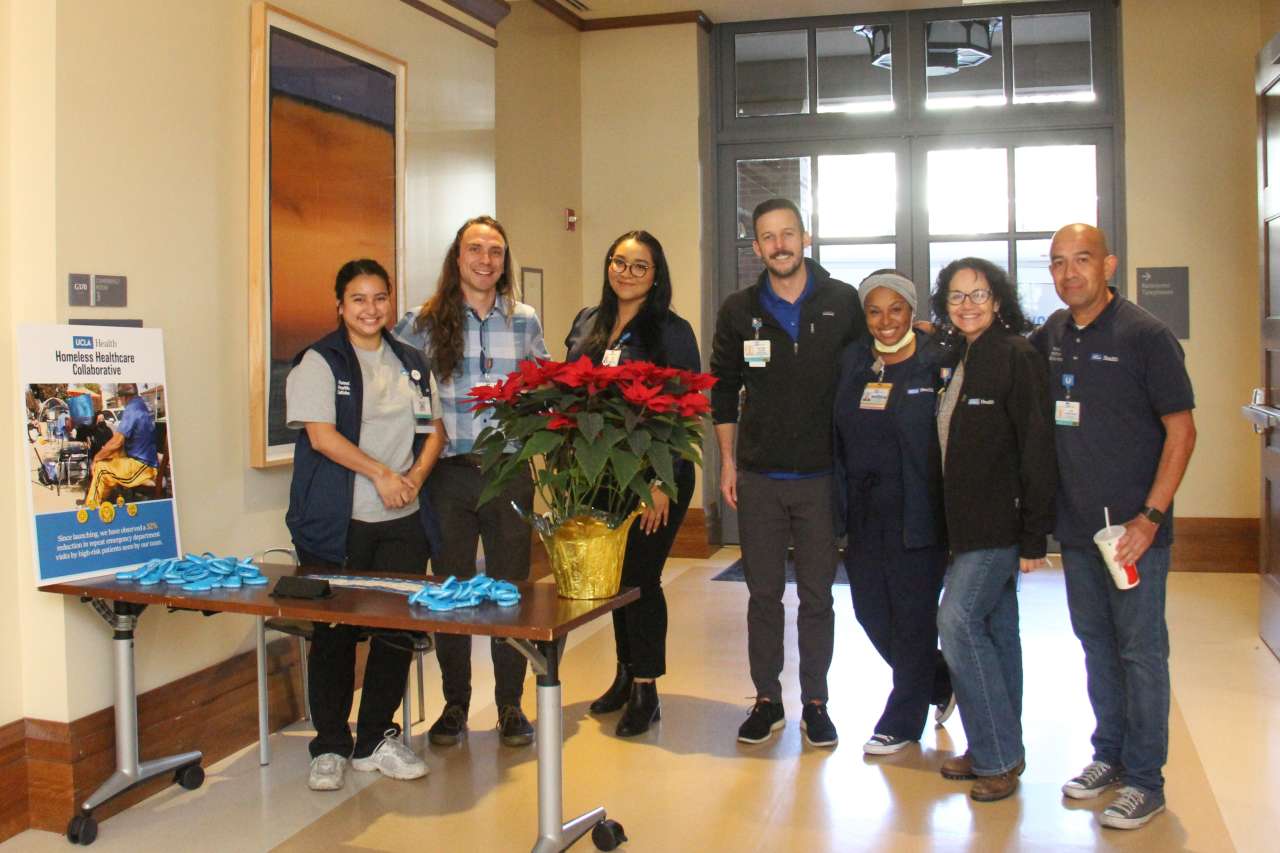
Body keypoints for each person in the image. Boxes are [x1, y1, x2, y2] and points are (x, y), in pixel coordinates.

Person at [1031, 224, 1196, 830]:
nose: (1069, 273)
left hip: (1133, 534)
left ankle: (1146, 780)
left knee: (1141, 652)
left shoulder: (1145, 336)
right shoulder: (1051, 335)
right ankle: (1110, 757)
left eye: (1082, 260)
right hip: (1078, 530)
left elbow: (1182, 431)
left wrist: (1150, 518)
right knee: (1097, 647)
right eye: (1057, 263)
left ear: (1109, 264)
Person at [710, 197, 866, 747]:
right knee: (763, 596)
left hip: (823, 477)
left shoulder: (843, 302)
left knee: (819, 595)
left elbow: (866, 377)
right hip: (759, 477)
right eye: (768, 237)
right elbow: (723, 390)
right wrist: (727, 463)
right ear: (757, 248)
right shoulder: (738, 310)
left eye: (788, 234)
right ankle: (767, 699)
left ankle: (817, 701)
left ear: (806, 238)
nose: (780, 244)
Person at [286, 258, 445, 792]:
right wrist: (381, 474)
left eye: (379, 298)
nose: (370, 309)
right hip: (338, 521)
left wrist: (414, 481)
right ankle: (329, 744)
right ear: (340, 305)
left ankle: (376, 737)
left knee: (394, 632)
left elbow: (433, 432)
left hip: (402, 519)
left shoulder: (412, 362)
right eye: (358, 298)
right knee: (333, 634)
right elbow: (322, 436)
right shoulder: (319, 360)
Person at [394, 215, 549, 749]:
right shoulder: (422, 320)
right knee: (451, 592)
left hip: (508, 474)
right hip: (447, 476)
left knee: (510, 593)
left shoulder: (523, 319)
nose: (486, 260)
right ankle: (455, 703)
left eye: (496, 252)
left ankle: (510, 703)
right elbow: (396, 392)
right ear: (456, 258)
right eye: (475, 250)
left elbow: (543, 387)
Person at [565, 230, 701, 737]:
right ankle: (623, 675)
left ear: (656, 274)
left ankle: (647, 690)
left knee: (641, 580)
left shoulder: (671, 330)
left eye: (639, 266)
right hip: (601, 474)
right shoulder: (589, 322)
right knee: (615, 583)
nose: (626, 272)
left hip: (653, 476)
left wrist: (660, 484)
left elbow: (685, 414)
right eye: (618, 262)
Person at [932, 257, 1055, 802]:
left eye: (978, 295)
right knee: (1000, 635)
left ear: (998, 300)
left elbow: (1036, 446)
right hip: (962, 524)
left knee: (956, 621)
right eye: (957, 296)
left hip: (998, 524)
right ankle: (997, 746)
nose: (967, 305)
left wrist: (1034, 535)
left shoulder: (1016, 355)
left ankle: (998, 754)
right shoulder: (961, 354)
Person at [832, 271, 954, 757]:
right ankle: (940, 678)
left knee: (913, 617)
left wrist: (939, 333)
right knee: (870, 613)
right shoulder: (853, 363)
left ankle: (902, 721)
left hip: (919, 512)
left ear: (912, 311)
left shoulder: (936, 361)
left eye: (896, 309)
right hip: (863, 512)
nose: (886, 321)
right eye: (875, 311)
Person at [84, 384, 157, 506]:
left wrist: (96, 458)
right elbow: (120, 442)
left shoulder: (132, 409)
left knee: (101, 468)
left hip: (142, 467)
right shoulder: (141, 405)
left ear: (125, 397)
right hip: (145, 462)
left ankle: (91, 509)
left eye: (120, 397)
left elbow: (117, 441)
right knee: (108, 459)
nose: (120, 400)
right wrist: (105, 454)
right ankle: (101, 502)